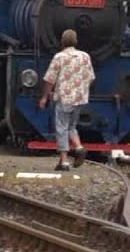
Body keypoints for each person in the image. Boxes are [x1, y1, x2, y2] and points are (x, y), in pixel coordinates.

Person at [39, 29, 95, 171]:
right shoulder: (85, 56)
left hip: (64, 98)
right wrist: (81, 90)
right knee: (71, 126)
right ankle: (79, 148)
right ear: (76, 41)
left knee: (61, 127)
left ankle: (64, 162)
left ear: (62, 41)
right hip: (79, 99)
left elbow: (49, 79)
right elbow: (91, 78)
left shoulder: (59, 57)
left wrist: (45, 96)